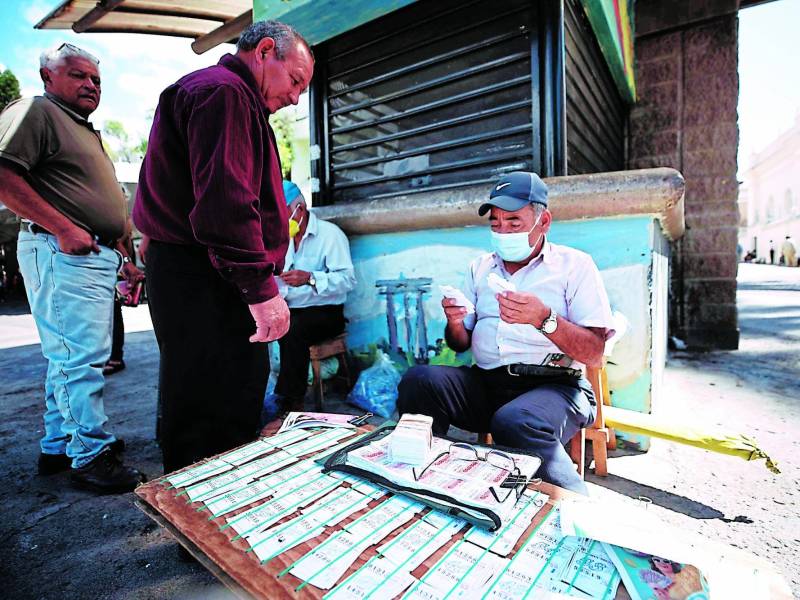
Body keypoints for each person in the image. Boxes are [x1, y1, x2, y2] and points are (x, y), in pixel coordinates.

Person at [132, 21, 314, 473]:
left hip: (200, 269)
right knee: (213, 404)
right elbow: (226, 204)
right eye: (295, 80)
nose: (295, 99)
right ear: (265, 51)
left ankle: (211, 521)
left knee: (216, 396)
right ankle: (205, 532)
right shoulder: (225, 93)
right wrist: (262, 290)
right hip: (205, 274)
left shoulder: (228, 96)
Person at [397, 172, 614, 494]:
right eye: (496, 224)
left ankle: (574, 507)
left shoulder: (574, 266)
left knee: (516, 420)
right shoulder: (480, 267)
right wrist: (456, 322)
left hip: (554, 388)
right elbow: (460, 345)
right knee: (419, 380)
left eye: (514, 222)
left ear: (544, 222)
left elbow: (594, 353)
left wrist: (545, 319)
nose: (503, 232)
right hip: (487, 383)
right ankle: (420, 475)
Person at [0, 43, 144, 492]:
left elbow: (92, 197)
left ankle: (59, 445)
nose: (90, 85)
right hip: (62, 252)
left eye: (96, 80)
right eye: (79, 76)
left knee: (68, 358)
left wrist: (124, 253)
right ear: (48, 77)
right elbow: (3, 175)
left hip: (92, 255)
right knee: (78, 360)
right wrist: (63, 228)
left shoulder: (81, 127)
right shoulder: (36, 111)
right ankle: (90, 454)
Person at [264, 180, 356, 416]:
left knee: (293, 328)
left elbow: (347, 280)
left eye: (280, 214)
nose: (275, 221)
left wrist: (311, 278)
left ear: (299, 210)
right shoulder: (280, 241)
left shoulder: (330, 235)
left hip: (326, 312)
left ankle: (290, 401)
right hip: (292, 307)